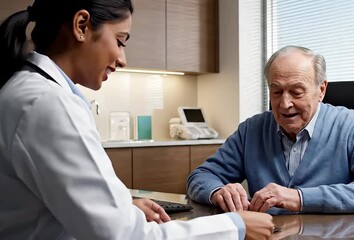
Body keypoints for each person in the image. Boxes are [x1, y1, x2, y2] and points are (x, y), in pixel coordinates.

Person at [0, 1, 274, 239]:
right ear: (81, 25)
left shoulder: (26, 91)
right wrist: (234, 227)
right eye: (120, 41)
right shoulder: (48, 104)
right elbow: (124, 235)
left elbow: (61, 201)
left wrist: (122, 210)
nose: (122, 59)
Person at [187, 45, 354, 214]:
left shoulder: (352, 126)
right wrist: (217, 191)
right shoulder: (251, 130)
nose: (284, 104)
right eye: (276, 91)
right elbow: (201, 176)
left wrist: (299, 198)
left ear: (321, 90)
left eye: (296, 92)